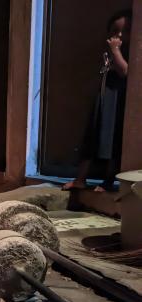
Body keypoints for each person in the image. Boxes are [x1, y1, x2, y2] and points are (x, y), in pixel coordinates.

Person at [63, 10, 131, 192]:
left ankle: (108, 182)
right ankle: (80, 179)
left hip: (117, 104)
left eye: (124, 31)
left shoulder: (128, 53)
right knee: (91, 138)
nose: (119, 36)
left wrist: (116, 51)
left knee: (112, 143)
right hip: (103, 101)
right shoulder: (106, 52)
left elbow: (126, 73)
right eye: (115, 32)